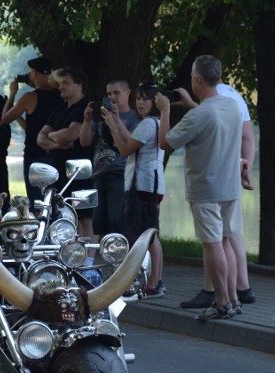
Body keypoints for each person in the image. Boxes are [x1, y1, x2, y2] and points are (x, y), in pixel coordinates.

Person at [158, 55, 243, 320]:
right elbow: (209, 117)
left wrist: (164, 110)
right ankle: (233, 299)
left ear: (196, 80)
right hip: (230, 188)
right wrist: (193, 105)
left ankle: (221, 302)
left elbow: (165, 142)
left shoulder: (198, 115)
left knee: (212, 245)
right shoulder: (230, 105)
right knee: (226, 241)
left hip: (206, 189)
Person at [180, 83, 256, 308]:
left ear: (199, 79)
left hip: (214, 179)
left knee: (214, 240)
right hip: (231, 176)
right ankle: (241, 290)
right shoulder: (235, 97)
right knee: (232, 235)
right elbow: (248, 137)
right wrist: (246, 168)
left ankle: (214, 292)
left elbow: (208, 123)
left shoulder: (215, 99)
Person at [106, 81, 166, 298]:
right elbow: (132, 140)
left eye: (146, 98)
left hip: (142, 186)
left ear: (155, 102)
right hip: (153, 184)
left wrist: (112, 125)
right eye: (139, 98)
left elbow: (124, 149)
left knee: (142, 236)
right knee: (151, 234)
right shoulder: (155, 123)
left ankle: (150, 283)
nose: (140, 102)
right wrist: (118, 121)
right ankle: (155, 282)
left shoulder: (148, 124)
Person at [79, 80, 139, 247]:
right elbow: (84, 141)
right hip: (99, 174)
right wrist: (87, 120)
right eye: (109, 94)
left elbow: (133, 143)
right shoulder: (102, 117)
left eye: (116, 93)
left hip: (120, 173)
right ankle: (107, 261)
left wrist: (115, 122)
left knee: (117, 222)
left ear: (127, 92)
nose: (112, 97)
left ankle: (123, 261)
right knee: (99, 224)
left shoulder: (133, 118)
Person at [0, 56, 60, 206]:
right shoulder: (61, 95)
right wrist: (18, 115)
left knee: (38, 205)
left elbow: (4, 119)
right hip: (56, 155)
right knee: (55, 203)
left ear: (35, 73)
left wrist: (12, 93)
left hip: (35, 156)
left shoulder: (29, 97)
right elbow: (31, 129)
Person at [37, 67, 94, 236]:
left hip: (80, 171)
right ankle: (72, 256)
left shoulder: (85, 108)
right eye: (60, 83)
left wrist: (53, 135)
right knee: (65, 216)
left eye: (66, 83)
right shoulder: (59, 110)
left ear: (80, 85)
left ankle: (89, 260)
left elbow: (70, 135)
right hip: (58, 171)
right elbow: (40, 138)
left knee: (84, 217)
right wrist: (57, 144)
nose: (61, 87)